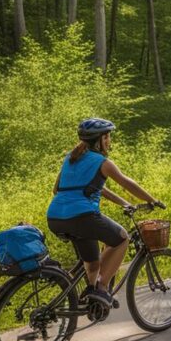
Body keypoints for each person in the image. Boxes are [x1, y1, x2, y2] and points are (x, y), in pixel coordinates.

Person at [47, 118, 162, 308]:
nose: (109, 141)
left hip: (56, 217)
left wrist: (124, 202)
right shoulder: (103, 162)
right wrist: (151, 200)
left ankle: (92, 299)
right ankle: (101, 288)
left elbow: (60, 188)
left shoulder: (71, 158)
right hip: (82, 216)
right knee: (122, 238)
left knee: (92, 264)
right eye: (107, 137)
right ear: (99, 140)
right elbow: (127, 183)